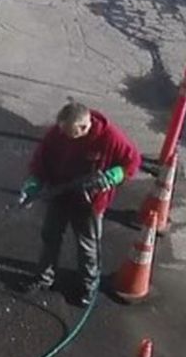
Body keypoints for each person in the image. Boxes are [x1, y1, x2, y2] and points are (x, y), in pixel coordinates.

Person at [19, 101, 141, 305]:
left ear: (85, 127)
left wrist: (115, 174)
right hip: (60, 193)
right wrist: (34, 182)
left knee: (87, 246)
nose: (65, 136)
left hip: (88, 202)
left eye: (70, 133)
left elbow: (132, 161)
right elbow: (41, 158)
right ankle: (44, 278)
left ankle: (88, 287)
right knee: (50, 236)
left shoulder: (110, 137)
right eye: (63, 131)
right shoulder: (58, 133)